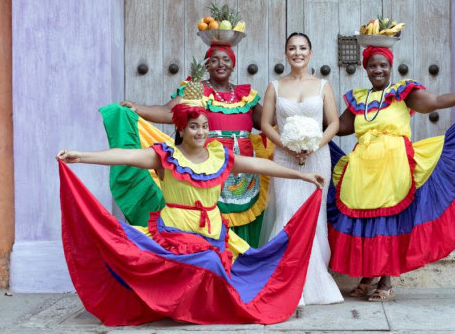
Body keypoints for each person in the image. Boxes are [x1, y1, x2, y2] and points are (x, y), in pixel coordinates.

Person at [56, 99, 326, 326]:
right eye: (194, 127)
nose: (201, 132)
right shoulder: (166, 155)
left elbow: (258, 165)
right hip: (175, 233)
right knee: (205, 261)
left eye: (205, 127)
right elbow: (123, 156)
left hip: (212, 232)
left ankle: (194, 308)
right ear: (182, 130)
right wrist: (81, 156)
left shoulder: (219, 157)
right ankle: (173, 305)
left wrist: (301, 176)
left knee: (226, 265)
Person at [328, 45, 455, 301]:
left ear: (390, 67)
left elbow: (433, 102)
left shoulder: (402, 93)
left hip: (393, 166)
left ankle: (386, 282)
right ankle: (367, 276)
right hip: (362, 169)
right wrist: (308, 121)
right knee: (367, 219)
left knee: (387, 219)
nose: (378, 70)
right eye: (373, 65)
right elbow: (340, 126)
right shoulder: (358, 99)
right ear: (365, 69)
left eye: (383, 65)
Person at [112, 44, 268, 247]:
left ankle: (241, 266)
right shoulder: (196, 90)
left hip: (243, 174)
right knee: (210, 214)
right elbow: (170, 112)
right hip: (208, 166)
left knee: (244, 214)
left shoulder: (246, 96)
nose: (220, 64)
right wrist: (138, 109)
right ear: (207, 65)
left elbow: (267, 123)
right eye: (214, 60)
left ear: (233, 65)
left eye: (226, 59)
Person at [260, 32, 344, 305]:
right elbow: (265, 124)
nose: (297, 52)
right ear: (285, 54)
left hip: (317, 158)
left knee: (313, 217)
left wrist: (316, 144)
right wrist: (285, 145)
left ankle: (314, 283)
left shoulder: (322, 86)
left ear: (310, 53)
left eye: (302, 48)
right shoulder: (274, 86)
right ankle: (282, 281)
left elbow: (333, 123)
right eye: (292, 48)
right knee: (285, 211)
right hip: (284, 159)